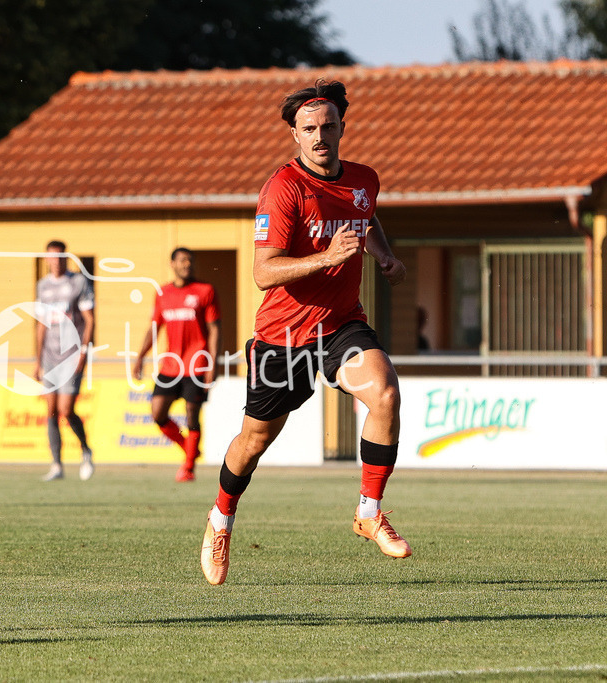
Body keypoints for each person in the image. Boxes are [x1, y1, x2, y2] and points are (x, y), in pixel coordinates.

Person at [200, 79, 409, 586]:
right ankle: (220, 519)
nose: (319, 136)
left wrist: (380, 252)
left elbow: (365, 212)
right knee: (254, 440)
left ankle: (368, 510)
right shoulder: (283, 188)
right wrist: (328, 258)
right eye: (308, 129)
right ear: (294, 135)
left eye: (328, 127)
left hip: (341, 325)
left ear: (342, 128)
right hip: (283, 337)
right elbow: (263, 273)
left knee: (383, 393)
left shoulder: (364, 179)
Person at [132, 247, 220, 482]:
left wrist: (212, 362)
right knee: (157, 412)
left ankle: (188, 468)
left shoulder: (205, 291)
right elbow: (154, 328)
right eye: (182, 260)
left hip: (197, 363)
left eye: (190, 260)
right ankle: (189, 447)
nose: (187, 264)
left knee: (192, 414)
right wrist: (140, 356)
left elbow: (214, 329)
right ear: (172, 264)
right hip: (170, 365)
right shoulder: (163, 293)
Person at [33, 240, 95, 481]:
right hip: (49, 357)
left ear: (66, 258)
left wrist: (83, 351)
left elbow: (89, 319)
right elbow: (41, 325)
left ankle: (86, 450)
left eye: (60, 257)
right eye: (52, 257)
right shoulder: (43, 286)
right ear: (46, 259)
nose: (56, 261)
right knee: (50, 410)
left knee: (66, 409)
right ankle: (57, 465)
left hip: (71, 356)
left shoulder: (78, 282)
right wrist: (37, 360)